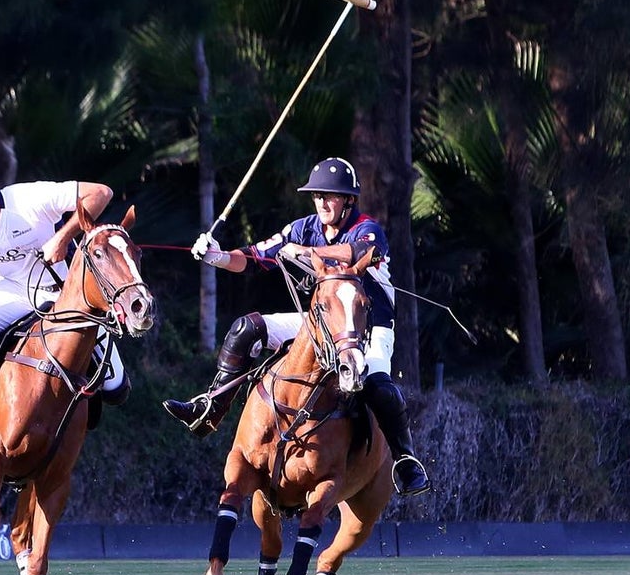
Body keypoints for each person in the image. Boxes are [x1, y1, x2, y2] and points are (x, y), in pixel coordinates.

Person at [163, 157, 431, 497]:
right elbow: (253, 257)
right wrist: (216, 256)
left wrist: (305, 251)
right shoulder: (302, 227)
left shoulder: (367, 228)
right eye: (317, 195)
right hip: (321, 326)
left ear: (349, 200)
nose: (322, 202)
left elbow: (359, 251)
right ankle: (210, 408)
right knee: (248, 327)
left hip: (370, 327)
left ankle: (405, 460)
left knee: (379, 386)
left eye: (330, 196)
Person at [0, 158, 130, 471]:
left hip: (63, 294)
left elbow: (101, 193)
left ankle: (64, 433)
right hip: (13, 291)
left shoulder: (29, 199)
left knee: (116, 389)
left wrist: (63, 236)